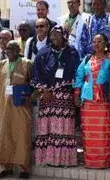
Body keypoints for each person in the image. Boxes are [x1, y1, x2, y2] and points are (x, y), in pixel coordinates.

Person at [31, 25, 81, 167]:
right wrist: (44, 90)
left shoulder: (72, 52)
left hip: (65, 97)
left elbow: (77, 73)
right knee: (47, 129)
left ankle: (64, 160)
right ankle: (48, 159)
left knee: (64, 129)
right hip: (47, 97)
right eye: (52, 35)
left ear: (64, 36)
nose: (53, 37)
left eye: (57, 35)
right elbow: (36, 73)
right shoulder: (43, 52)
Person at [74, 33, 110, 169]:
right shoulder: (87, 58)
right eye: (94, 42)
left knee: (104, 131)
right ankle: (90, 161)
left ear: (106, 43)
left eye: (100, 41)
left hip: (105, 101)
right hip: (88, 101)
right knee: (88, 132)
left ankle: (105, 162)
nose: (96, 44)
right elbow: (79, 75)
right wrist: (77, 93)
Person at [0, 40, 34, 180]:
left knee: (22, 135)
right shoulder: (0, 65)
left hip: (21, 107)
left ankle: (24, 169)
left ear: (18, 50)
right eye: (7, 49)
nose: (8, 51)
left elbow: (34, 85)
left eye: (11, 49)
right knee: (6, 135)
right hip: (4, 106)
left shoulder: (27, 64)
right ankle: (6, 167)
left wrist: (29, 97)